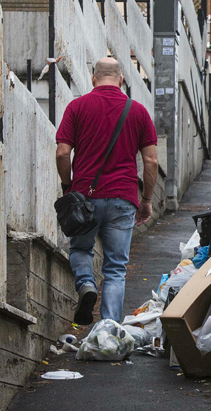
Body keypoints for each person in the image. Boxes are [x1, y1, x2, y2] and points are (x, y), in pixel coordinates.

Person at [55, 58, 159, 325]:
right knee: (115, 269)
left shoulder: (77, 107)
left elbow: (63, 152)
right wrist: (146, 199)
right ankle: (109, 330)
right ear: (121, 79)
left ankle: (87, 285)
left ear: (93, 79)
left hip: (84, 198)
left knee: (80, 250)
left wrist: (68, 185)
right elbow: (151, 161)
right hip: (123, 199)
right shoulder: (137, 112)